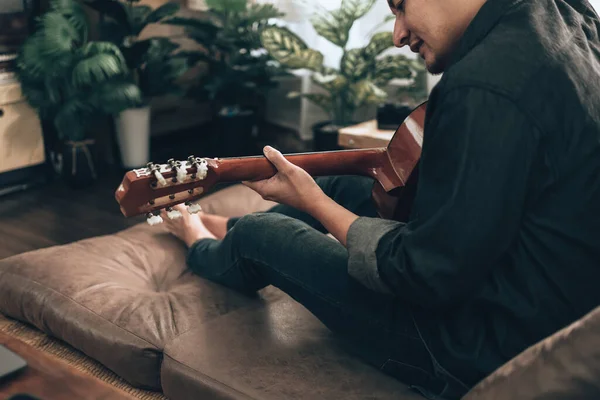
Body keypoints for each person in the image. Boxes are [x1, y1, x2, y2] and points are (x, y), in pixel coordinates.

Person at [162, 0, 600, 398]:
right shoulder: (567, 16)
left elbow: (424, 274)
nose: (398, 34)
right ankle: (231, 231)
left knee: (264, 231)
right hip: (534, 285)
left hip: (475, 344)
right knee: (340, 186)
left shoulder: (484, 84)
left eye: (401, 7)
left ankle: (199, 238)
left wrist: (312, 204)